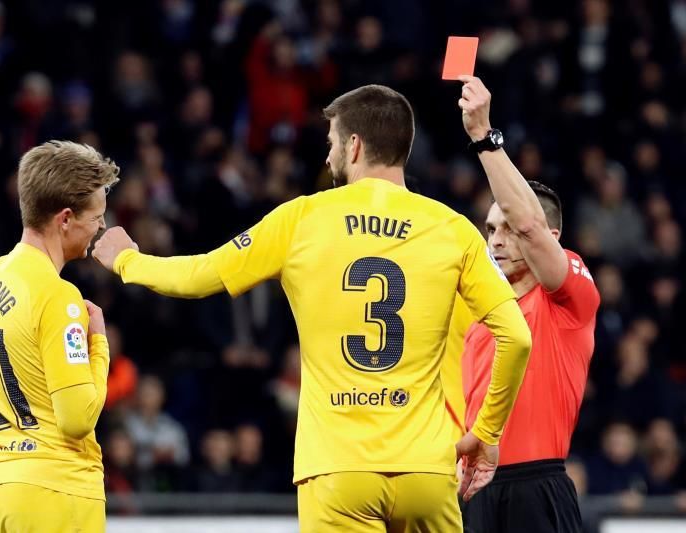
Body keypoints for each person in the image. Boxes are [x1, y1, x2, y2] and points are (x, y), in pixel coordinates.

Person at [93, 84, 533, 532]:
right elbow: (516, 338)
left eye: (331, 143)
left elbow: (197, 276)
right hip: (426, 468)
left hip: (337, 469)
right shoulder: (453, 228)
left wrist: (127, 260)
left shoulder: (301, 219)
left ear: (354, 145)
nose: (328, 157)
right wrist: (487, 434)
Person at [457, 76, 600, 533]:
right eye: (490, 228)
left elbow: (531, 226)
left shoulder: (569, 296)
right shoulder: (478, 312)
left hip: (537, 488)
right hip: (474, 491)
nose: (496, 240)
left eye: (508, 229)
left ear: (552, 238)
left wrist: (484, 136)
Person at [0, 141, 118, 532]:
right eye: (96, 217)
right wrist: (100, 345)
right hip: (54, 492)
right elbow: (77, 419)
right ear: (65, 219)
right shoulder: (58, 297)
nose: (101, 228)